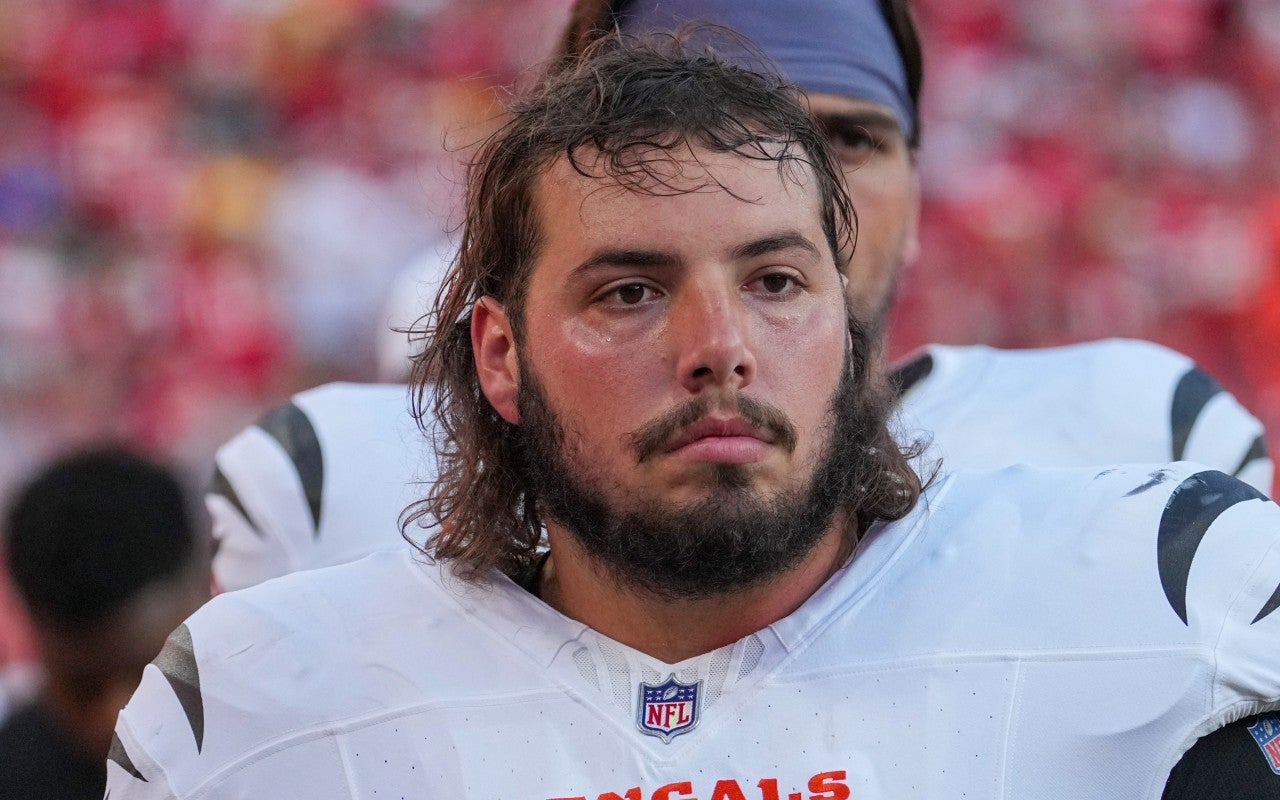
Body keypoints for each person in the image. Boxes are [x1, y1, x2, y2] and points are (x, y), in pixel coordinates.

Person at [109, 37, 1280, 799]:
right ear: (500, 356)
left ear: (848, 324)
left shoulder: (1159, 591)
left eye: (774, 282)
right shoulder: (266, 705)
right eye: (629, 291)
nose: (717, 346)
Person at [0, 447, 209, 799]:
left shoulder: (305, 742)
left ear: (207, 591)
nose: (117, 718)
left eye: (150, 671)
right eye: (84, 688)